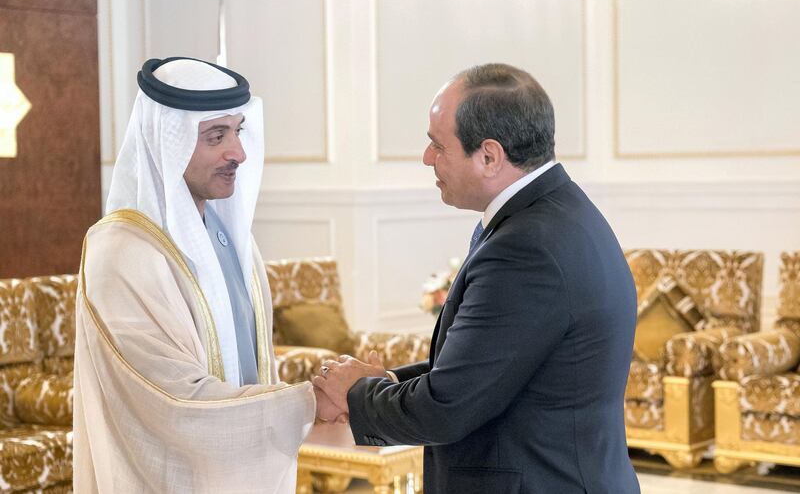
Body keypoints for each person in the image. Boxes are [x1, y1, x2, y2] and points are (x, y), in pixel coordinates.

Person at [313, 63, 640, 493]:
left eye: (437, 145)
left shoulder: (525, 247)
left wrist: (356, 394)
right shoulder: (556, 212)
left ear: (489, 155)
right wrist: (389, 382)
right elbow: (490, 365)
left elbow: (448, 408)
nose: (427, 158)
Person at [73, 57, 316, 493]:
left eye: (237, 131)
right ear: (168, 140)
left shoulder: (233, 240)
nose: (238, 153)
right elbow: (174, 400)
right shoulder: (121, 252)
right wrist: (310, 401)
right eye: (215, 137)